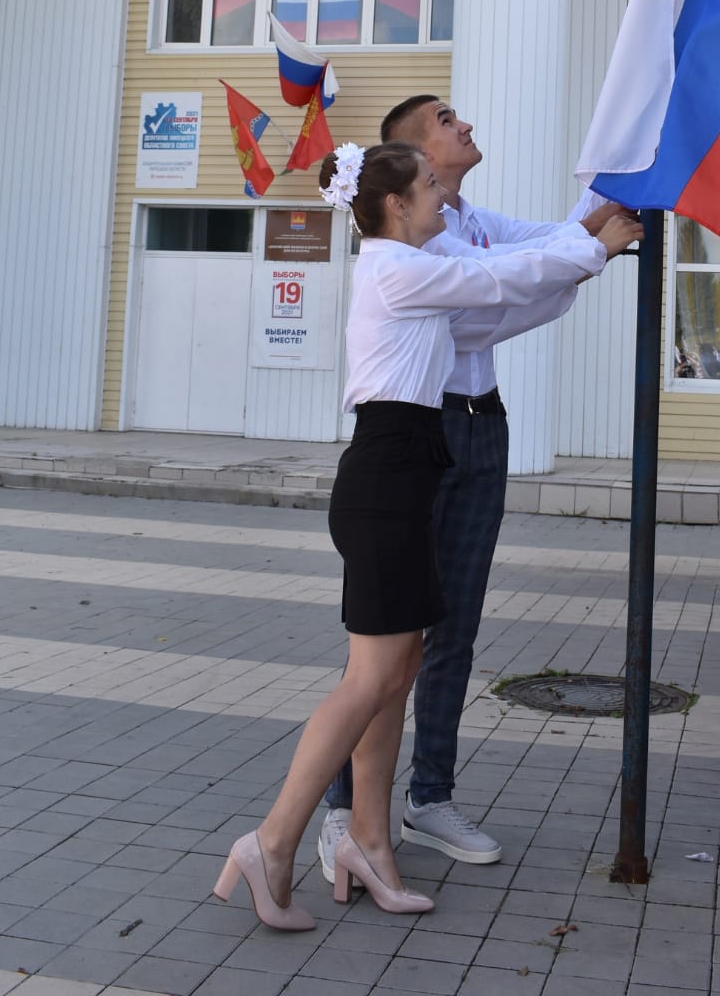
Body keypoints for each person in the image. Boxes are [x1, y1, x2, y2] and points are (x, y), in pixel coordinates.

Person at [213, 140, 642, 927]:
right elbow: (495, 276)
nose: (445, 199)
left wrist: (587, 245)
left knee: (400, 666)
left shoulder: (413, 263)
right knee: (369, 679)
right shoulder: (396, 269)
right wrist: (591, 247)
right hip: (385, 477)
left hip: (406, 472)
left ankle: (370, 845)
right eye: (431, 189)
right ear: (396, 205)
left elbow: (507, 288)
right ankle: (271, 841)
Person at [321, 98, 627, 875]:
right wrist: (581, 258)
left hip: (479, 423)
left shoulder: (465, 218)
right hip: (425, 434)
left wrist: (609, 193)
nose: (464, 127)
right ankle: (342, 812)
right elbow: (493, 297)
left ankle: (428, 797)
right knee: (390, 639)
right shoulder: (415, 248)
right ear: (409, 164)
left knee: (452, 623)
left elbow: (541, 247)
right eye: (446, 121)